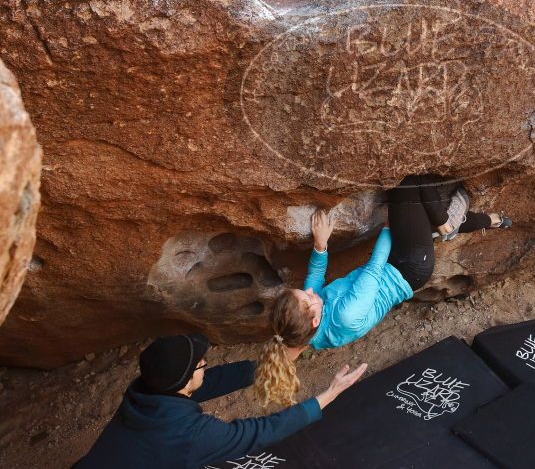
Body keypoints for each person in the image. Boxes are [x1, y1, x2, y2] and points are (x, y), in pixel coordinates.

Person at [254, 175, 511, 408]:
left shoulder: (308, 331)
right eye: (307, 298)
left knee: (420, 218)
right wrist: (390, 227)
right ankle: (446, 224)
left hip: (393, 265)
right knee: (408, 185)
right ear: (315, 320)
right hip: (411, 266)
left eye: (302, 293)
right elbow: (374, 269)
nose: (310, 292)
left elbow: (314, 279)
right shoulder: (346, 316)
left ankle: (494, 220)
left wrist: (321, 244)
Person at [74, 334, 366, 469]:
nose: (204, 363)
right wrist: (329, 395)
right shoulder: (188, 434)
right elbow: (259, 432)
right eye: (200, 364)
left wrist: (276, 362)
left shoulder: (145, 389)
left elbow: (214, 380)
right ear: (186, 381)